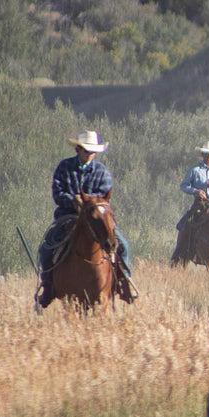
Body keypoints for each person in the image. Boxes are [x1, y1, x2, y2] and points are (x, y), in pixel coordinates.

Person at [37, 130, 138, 306]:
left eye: (93, 150)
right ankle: (48, 286)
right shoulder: (64, 167)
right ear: (78, 149)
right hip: (69, 216)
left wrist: (88, 202)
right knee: (47, 247)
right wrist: (72, 200)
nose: (90, 153)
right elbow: (57, 193)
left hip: (96, 217)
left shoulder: (102, 171)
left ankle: (125, 282)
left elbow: (105, 196)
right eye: (86, 149)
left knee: (122, 245)